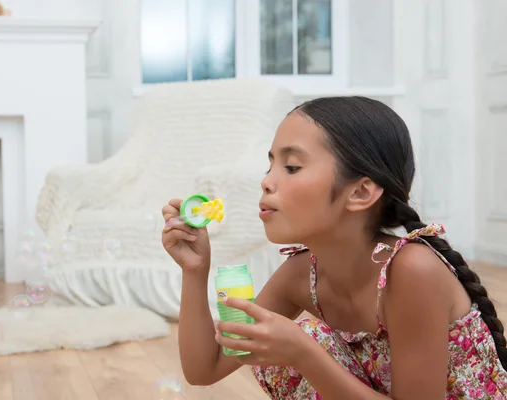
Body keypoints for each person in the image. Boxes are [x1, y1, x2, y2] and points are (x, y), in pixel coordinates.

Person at [161, 96, 507, 399]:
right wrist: (194, 270)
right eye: (271, 165)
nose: (266, 180)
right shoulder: (301, 274)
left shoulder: (413, 271)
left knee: (306, 339)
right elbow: (205, 370)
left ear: (360, 193)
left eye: (292, 166)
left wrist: (303, 353)